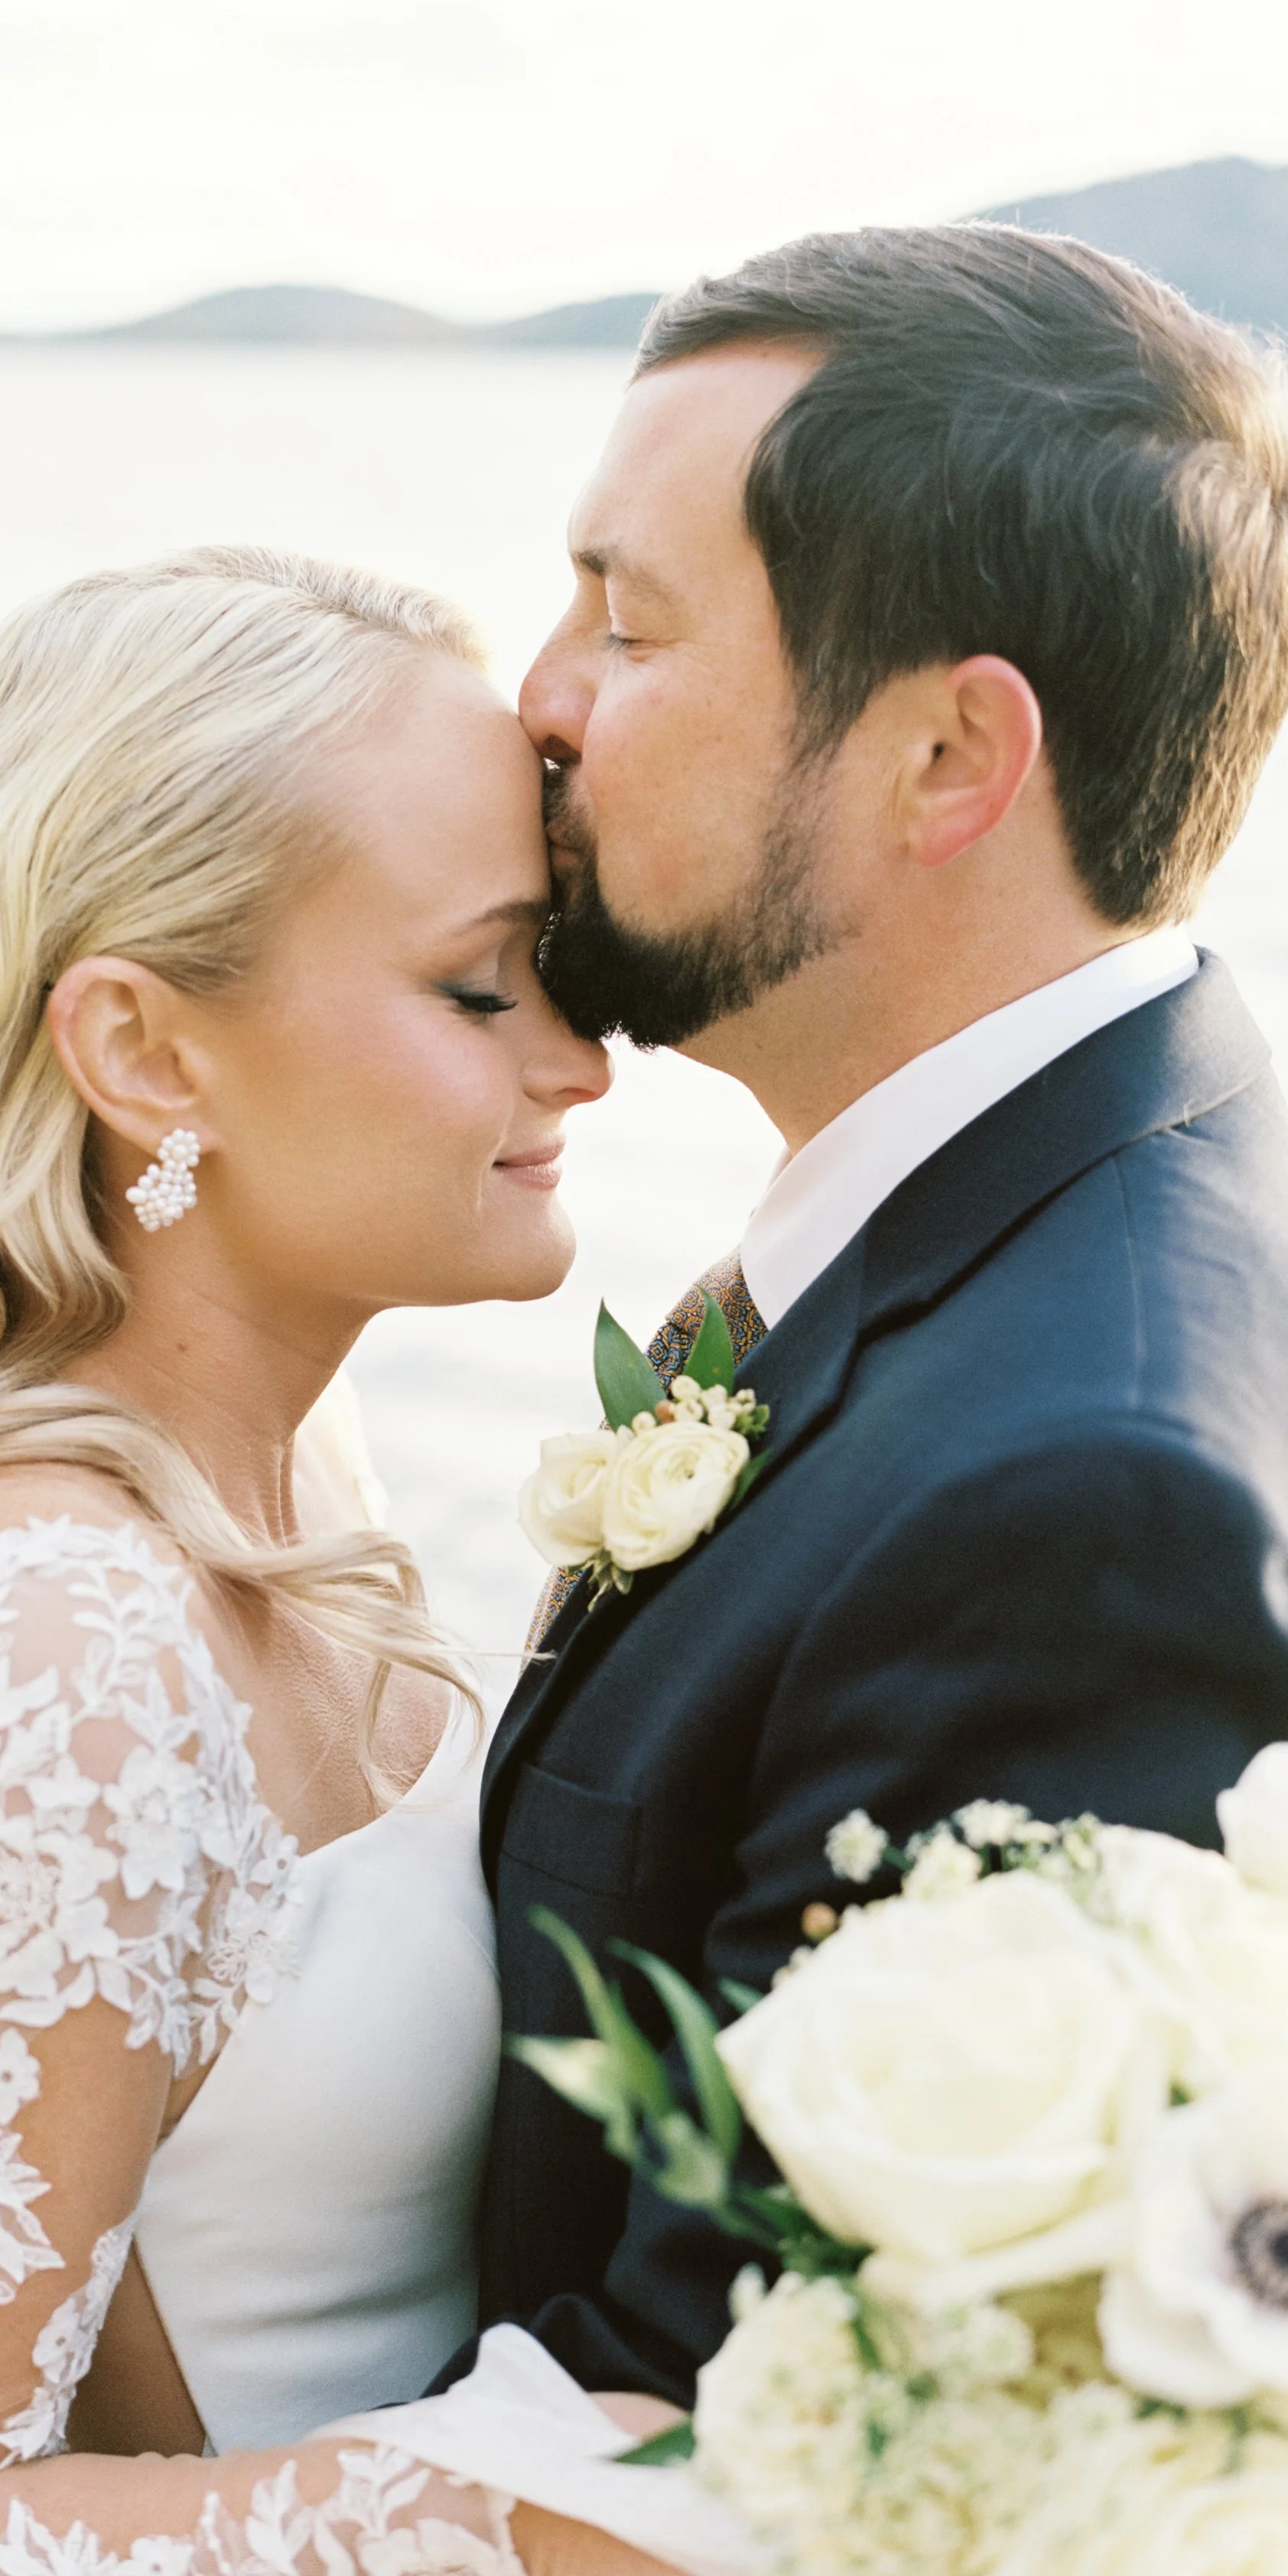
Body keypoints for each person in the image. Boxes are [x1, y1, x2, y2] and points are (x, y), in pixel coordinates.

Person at [0, 545, 746, 2576]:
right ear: (143, 1052)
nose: (577, 1062)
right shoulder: (28, 1646)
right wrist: (534, 2515)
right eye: (480, 983)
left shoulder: (275, 1530)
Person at [470, 224, 1288, 2412]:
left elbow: (762, 2428)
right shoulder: (1071, 1200)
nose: (530, 696)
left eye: (623, 621)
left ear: (945, 757)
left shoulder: (1071, 1502)